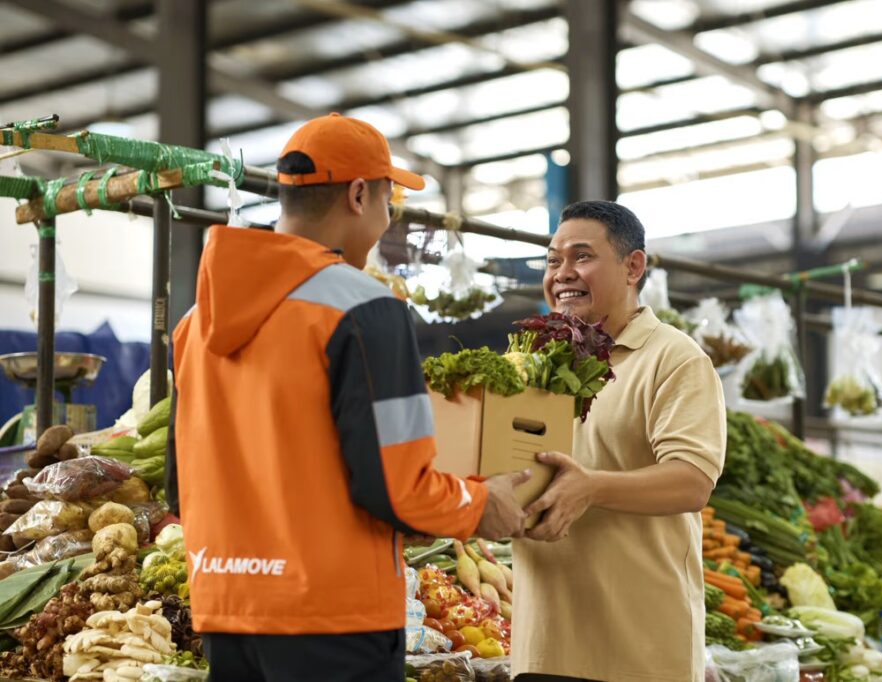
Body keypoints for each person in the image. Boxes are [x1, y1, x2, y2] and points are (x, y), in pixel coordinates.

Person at [166, 113, 530, 682]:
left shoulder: (196, 323)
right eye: (390, 202)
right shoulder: (364, 308)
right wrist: (484, 504)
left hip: (227, 616)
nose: (390, 220)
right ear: (359, 195)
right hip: (333, 622)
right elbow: (396, 486)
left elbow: (178, 486)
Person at [512, 201, 727, 682]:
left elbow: (692, 482)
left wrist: (590, 487)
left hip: (640, 652)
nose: (563, 273)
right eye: (552, 261)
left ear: (633, 267)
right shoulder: (533, 362)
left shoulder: (674, 359)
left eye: (582, 257)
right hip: (541, 647)